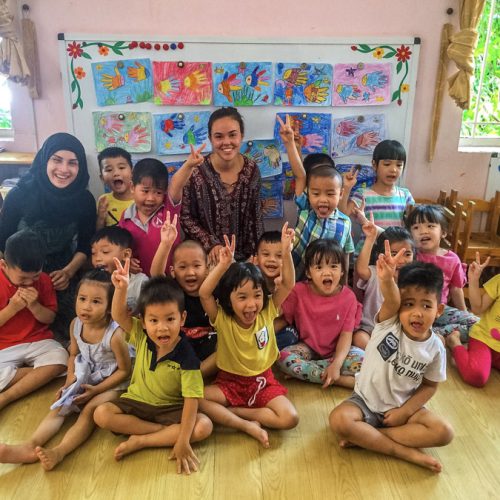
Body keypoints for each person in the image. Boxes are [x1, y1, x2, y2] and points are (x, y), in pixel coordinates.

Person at [329, 255, 454, 473]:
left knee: (444, 432)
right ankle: (402, 452)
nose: (417, 312)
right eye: (409, 304)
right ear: (398, 307)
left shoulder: (436, 348)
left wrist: (405, 412)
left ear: (439, 310)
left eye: (426, 305)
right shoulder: (389, 322)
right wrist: (386, 279)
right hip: (365, 402)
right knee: (339, 420)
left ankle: (368, 438)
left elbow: (429, 386)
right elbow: (392, 300)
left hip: (401, 408)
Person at [0, 269, 131, 470]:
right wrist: (70, 381)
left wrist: (96, 390)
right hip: (88, 372)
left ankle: (59, 452)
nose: (86, 307)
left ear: (108, 308)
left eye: (96, 302)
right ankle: (29, 445)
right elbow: (73, 355)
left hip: (116, 381)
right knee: (60, 405)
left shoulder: (114, 335)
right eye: (82, 298)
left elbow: (125, 371)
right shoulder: (75, 324)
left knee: (88, 411)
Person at [94, 260, 212, 474]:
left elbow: (191, 400)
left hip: (170, 408)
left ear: (182, 319)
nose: (162, 328)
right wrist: (121, 288)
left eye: (170, 319)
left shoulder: (188, 358)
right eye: (154, 321)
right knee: (101, 414)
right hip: (137, 402)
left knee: (204, 426)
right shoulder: (140, 333)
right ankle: (163, 434)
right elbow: (119, 315)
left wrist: (183, 440)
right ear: (144, 321)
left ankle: (143, 441)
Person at [198, 228, 299, 448]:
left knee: (290, 418)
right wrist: (224, 265)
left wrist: (286, 251)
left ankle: (234, 414)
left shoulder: (268, 310)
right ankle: (245, 425)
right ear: (228, 300)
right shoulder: (223, 318)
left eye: (257, 295)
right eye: (242, 297)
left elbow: (289, 284)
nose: (251, 304)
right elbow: (204, 293)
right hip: (230, 383)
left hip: (263, 382)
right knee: (193, 398)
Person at [0, 133, 97, 341]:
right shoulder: (20, 195)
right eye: (57, 160)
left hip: (61, 272)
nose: (64, 169)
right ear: (45, 160)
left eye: (72, 163)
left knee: (74, 329)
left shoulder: (84, 200)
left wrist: (68, 272)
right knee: (16, 328)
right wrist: (12, 278)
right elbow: (2, 239)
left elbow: (85, 245)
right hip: (18, 271)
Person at [181, 107, 264, 265]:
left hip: (244, 260)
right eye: (219, 136)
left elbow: (256, 217)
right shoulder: (196, 171)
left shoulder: (252, 170)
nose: (226, 142)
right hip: (206, 259)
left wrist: (257, 254)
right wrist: (211, 244)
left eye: (232, 135)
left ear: (242, 136)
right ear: (210, 139)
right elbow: (185, 217)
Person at [276, 239, 364, 387]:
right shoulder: (298, 291)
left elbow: (346, 335)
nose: (327, 272)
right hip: (307, 349)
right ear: (308, 272)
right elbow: (279, 313)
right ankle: (338, 379)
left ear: (342, 271)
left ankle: (320, 374)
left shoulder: (349, 297)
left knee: (365, 359)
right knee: (283, 357)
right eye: (319, 267)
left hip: (337, 352)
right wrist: (280, 289)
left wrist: (336, 364)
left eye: (333, 266)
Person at [277, 115, 353, 278]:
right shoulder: (306, 208)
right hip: (296, 279)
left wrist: (345, 284)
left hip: (326, 284)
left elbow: (345, 255)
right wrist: (290, 144)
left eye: (330, 193)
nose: (322, 199)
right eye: (316, 193)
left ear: (340, 194)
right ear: (308, 193)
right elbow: (300, 175)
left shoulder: (345, 223)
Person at [0, 230, 68, 411]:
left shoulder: (44, 281)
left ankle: (6, 397)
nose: (30, 283)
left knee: (61, 358)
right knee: (59, 368)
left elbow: (50, 318)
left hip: (38, 339)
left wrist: (34, 306)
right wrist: (12, 308)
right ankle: (39, 375)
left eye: (35, 276)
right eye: (23, 278)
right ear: (4, 265)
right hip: (4, 345)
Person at [119, 144, 205, 276]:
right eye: (145, 191)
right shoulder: (125, 217)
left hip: (172, 281)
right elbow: (122, 248)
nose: (151, 198)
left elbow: (177, 183)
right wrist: (127, 260)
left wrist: (189, 165)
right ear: (132, 187)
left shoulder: (169, 208)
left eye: (158, 192)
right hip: (143, 286)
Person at [150, 213, 216, 377]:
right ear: (172, 272)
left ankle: (195, 376)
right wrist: (166, 244)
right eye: (183, 267)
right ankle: (183, 378)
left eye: (196, 265)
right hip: (179, 346)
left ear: (207, 269)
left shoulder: (213, 291)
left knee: (225, 347)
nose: (190, 272)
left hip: (207, 347)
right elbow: (156, 274)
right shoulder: (173, 290)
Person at [406, 204, 478, 340]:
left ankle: (440, 334)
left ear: (443, 232)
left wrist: (464, 313)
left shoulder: (452, 259)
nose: (423, 231)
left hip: (441, 310)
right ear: (410, 235)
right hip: (416, 311)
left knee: (477, 325)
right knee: (411, 331)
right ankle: (434, 335)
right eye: (416, 228)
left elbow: (456, 289)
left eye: (430, 226)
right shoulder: (411, 256)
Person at [354, 220, 415, 349]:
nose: (401, 260)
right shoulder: (376, 273)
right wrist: (370, 239)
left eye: (407, 254)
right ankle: (378, 353)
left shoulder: (414, 279)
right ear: (381, 256)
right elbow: (361, 269)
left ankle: (387, 355)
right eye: (393, 254)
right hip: (370, 328)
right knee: (359, 338)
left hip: (398, 331)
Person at [339, 139, 414, 236]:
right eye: (387, 164)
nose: (394, 169)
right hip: (368, 249)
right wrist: (346, 188)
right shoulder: (362, 194)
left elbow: (414, 224)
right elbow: (342, 216)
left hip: (395, 250)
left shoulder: (405, 195)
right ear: (374, 165)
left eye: (399, 165)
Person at [446, 254, 500, 387]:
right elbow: (477, 308)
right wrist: (474, 280)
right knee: (476, 375)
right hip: (484, 339)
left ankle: (482, 360)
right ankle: (454, 342)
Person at [91, 225, 148, 313]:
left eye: (105, 251)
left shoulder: (140, 283)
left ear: (126, 255)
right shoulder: (92, 282)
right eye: (93, 253)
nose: (97, 258)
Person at [96, 147, 134, 229]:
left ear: (132, 172)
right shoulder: (103, 201)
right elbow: (99, 234)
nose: (116, 173)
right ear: (102, 178)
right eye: (109, 170)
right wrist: (101, 218)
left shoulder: (141, 199)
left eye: (121, 168)